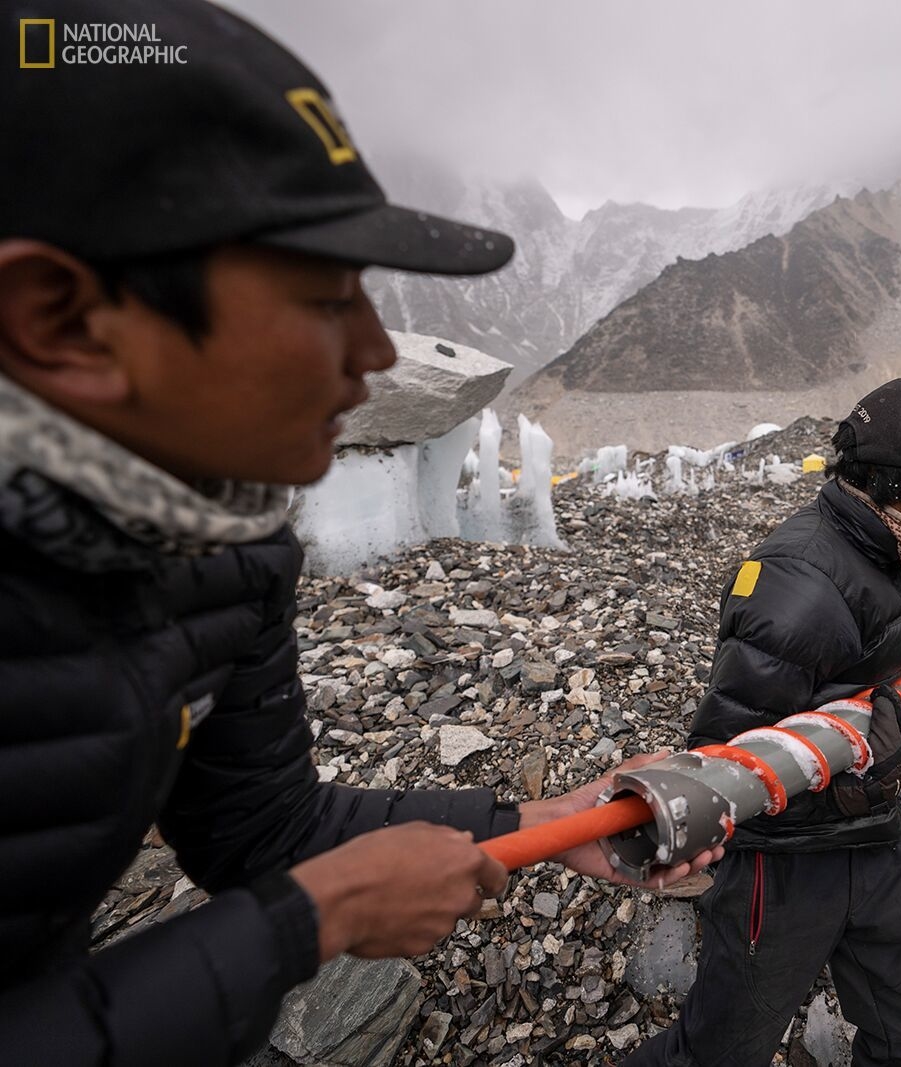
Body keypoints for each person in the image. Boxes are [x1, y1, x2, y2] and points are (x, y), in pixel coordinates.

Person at [0, 2, 717, 1064]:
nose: (378, 354)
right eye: (325, 295)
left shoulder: (227, 546)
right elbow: (292, 885)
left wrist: (541, 822)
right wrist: (305, 924)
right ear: (62, 319)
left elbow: (264, 828)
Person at [626, 377, 901, 1067]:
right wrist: (853, 782)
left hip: (871, 843)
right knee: (717, 1052)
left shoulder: (874, 543)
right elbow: (725, 759)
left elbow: (868, 654)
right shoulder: (796, 582)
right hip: (786, 869)